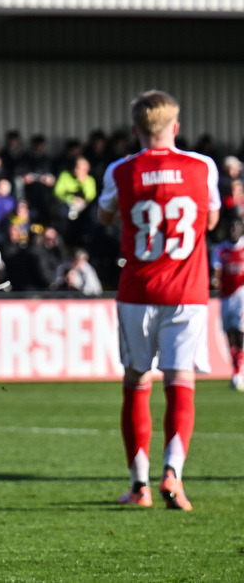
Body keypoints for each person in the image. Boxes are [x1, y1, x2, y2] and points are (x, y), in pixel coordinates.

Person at [98, 89, 220, 511]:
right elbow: (212, 216)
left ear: (135, 130)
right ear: (176, 127)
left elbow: (105, 215)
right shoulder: (203, 167)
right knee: (180, 382)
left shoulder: (120, 170)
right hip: (188, 291)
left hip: (139, 292)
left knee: (136, 383)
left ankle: (139, 486)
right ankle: (174, 474)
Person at [212, 217, 244, 390]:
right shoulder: (220, 249)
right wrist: (215, 281)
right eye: (230, 228)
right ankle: (236, 370)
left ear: (241, 230)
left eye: (236, 228)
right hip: (225, 298)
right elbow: (216, 271)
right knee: (229, 336)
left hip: (241, 295)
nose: (233, 231)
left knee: (239, 333)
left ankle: (238, 374)